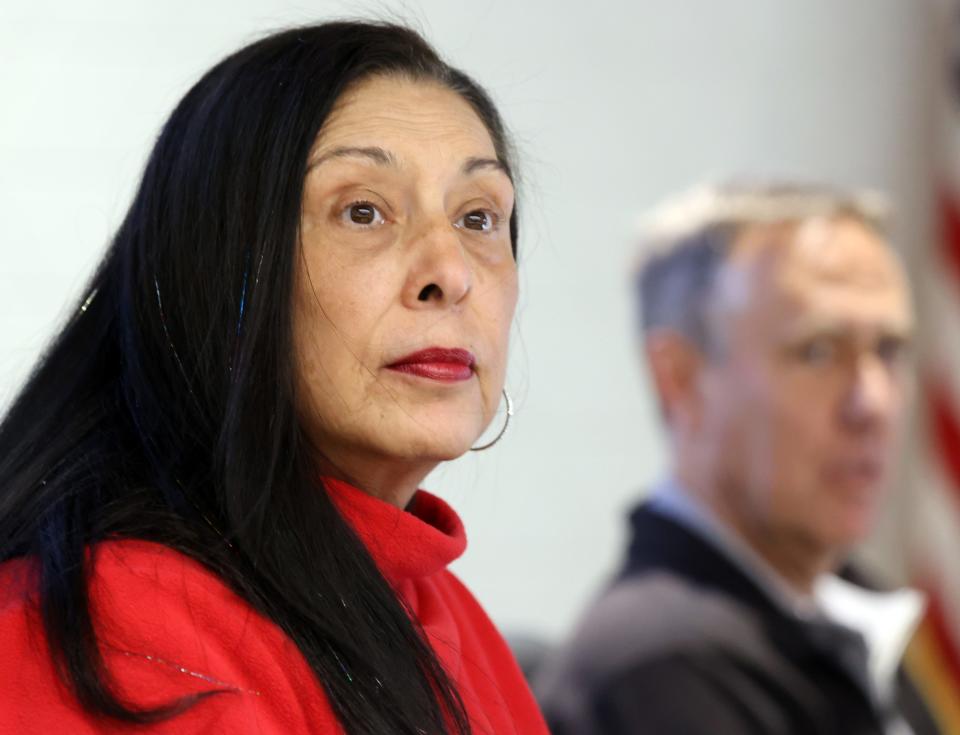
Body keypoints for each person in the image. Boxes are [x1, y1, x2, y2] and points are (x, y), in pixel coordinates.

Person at [0, 21, 548, 735]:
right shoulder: (111, 623)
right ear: (223, 268)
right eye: (363, 211)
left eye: (479, 217)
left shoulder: (450, 616)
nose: (450, 273)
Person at [535, 182, 941, 734]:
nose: (871, 403)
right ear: (680, 380)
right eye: (817, 351)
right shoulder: (659, 671)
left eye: (889, 351)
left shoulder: (846, 608)